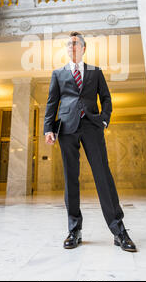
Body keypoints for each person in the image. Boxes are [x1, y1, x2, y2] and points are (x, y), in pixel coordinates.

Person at [44, 31, 137, 252]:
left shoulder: (96, 72)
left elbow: (106, 98)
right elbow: (52, 102)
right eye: (69, 44)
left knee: (103, 176)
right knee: (71, 179)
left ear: (83, 48)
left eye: (76, 44)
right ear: (67, 49)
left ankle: (119, 230)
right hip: (66, 128)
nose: (72, 47)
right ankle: (74, 230)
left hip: (92, 127)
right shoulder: (58, 73)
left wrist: (104, 120)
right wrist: (48, 128)